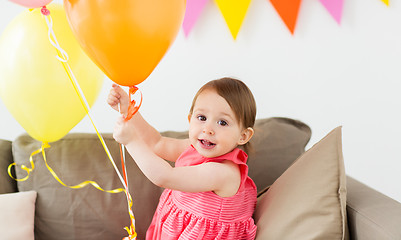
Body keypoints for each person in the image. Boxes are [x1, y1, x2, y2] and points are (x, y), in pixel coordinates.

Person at [108, 77, 258, 239]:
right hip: (175, 229)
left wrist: (131, 142)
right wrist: (128, 110)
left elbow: (165, 177)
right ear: (190, 119)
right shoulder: (192, 148)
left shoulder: (224, 172)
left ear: (243, 136)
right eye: (201, 118)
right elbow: (156, 143)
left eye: (222, 122)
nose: (208, 129)